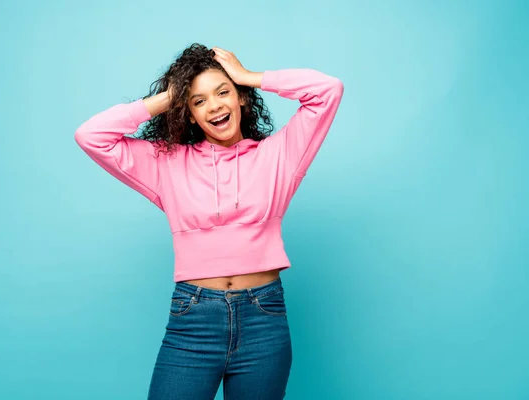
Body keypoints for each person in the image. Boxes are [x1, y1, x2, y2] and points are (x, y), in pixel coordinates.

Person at [75, 43, 344, 399]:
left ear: (241, 99)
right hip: (194, 320)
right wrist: (167, 97)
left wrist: (250, 76)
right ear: (188, 114)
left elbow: (328, 91)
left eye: (223, 92)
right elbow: (91, 136)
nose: (214, 105)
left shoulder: (278, 155)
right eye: (198, 101)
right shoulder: (166, 163)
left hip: (264, 319)